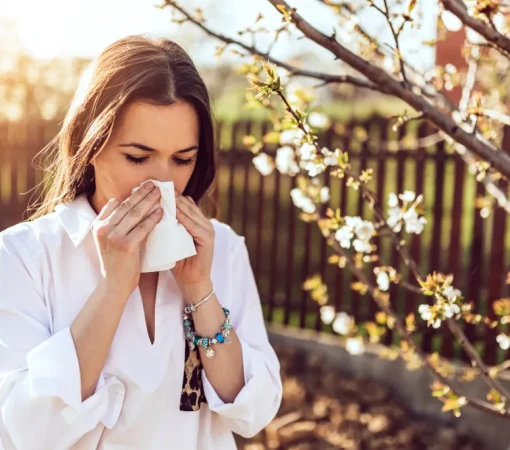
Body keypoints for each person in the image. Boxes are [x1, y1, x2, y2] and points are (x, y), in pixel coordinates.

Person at [0, 34, 282, 450]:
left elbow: (254, 413)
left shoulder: (222, 248)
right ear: (88, 146)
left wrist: (200, 291)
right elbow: (30, 433)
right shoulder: (24, 255)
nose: (163, 182)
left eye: (182, 159)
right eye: (138, 157)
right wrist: (114, 289)